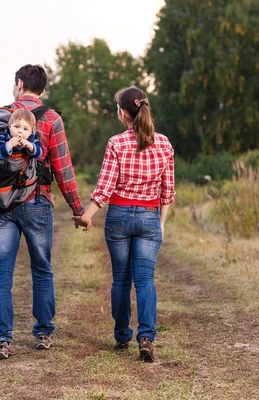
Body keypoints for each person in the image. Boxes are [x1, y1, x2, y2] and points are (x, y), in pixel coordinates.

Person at [0, 64, 85, 360]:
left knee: (2, 271)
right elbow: (63, 167)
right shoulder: (52, 119)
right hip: (37, 201)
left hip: (2, 203)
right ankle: (43, 332)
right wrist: (77, 208)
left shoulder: (2, 115)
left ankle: (2, 339)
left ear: (19, 84)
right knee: (41, 268)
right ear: (42, 89)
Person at [73, 86, 175, 362]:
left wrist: (87, 214)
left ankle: (121, 335)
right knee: (145, 280)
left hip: (118, 216)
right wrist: (161, 223)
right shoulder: (164, 144)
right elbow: (168, 192)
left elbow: (104, 189)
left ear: (122, 113)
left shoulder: (116, 143)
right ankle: (146, 337)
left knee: (121, 279)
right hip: (149, 216)